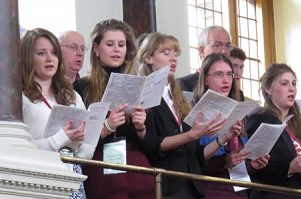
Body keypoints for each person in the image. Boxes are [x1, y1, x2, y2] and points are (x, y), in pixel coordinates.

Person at [137, 32, 238, 199]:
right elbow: (152, 144)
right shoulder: (144, 93)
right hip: (166, 187)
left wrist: (223, 139)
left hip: (192, 187)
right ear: (148, 58)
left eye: (176, 54)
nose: (174, 58)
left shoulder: (178, 97)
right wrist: (191, 134)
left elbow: (196, 155)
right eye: (166, 53)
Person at [73, 19, 155, 199]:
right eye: (110, 44)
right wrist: (107, 126)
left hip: (137, 166)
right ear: (96, 48)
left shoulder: (139, 84)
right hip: (100, 164)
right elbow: (78, 140)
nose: (117, 49)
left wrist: (141, 127)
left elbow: (153, 144)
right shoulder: (81, 87)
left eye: (121, 44)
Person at [21, 28, 92, 199]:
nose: (49, 58)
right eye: (41, 53)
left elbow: (86, 152)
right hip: (37, 178)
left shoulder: (72, 95)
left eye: (54, 52)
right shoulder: (19, 97)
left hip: (72, 175)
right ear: (27, 58)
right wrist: (61, 138)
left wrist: (78, 141)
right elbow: (19, 149)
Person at [245, 63, 301, 199]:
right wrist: (289, 168)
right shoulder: (260, 118)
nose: (292, 89)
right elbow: (254, 169)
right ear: (268, 89)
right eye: (285, 84)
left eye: (294, 84)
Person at [193, 53, 269, 199]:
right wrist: (224, 162)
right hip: (212, 191)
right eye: (218, 74)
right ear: (205, 79)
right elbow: (194, 161)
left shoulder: (238, 111)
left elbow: (238, 165)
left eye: (229, 74)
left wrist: (253, 165)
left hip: (239, 192)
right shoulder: (198, 114)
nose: (225, 80)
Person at [176, 26, 232, 92]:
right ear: (202, 51)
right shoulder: (184, 85)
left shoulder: (236, 92)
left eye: (228, 46)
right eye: (217, 45)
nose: (224, 51)